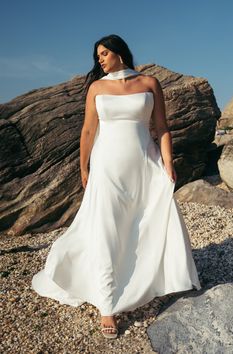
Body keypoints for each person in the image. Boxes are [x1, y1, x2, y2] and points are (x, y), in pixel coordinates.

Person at [32, 34, 201, 339]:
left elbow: (161, 127)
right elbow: (87, 130)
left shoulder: (149, 83)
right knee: (108, 227)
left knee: (145, 222)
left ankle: (151, 279)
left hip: (145, 165)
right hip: (107, 166)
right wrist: (84, 167)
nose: (100, 59)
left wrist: (168, 164)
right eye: (97, 56)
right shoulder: (97, 87)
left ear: (120, 53)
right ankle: (107, 304)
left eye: (104, 53)